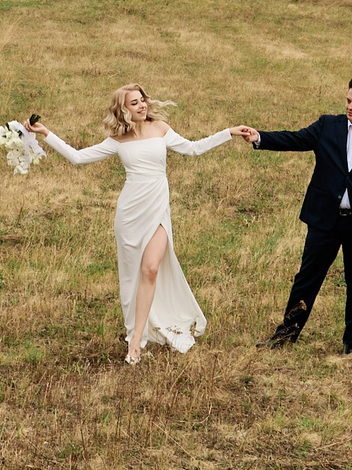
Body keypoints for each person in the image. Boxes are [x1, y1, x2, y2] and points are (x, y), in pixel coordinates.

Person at [29, 85, 240, 365]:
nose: (142, 106)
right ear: (123, 109)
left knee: (150, 269)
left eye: (142, 100)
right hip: (130, 214)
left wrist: (229, 132)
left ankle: (138, 339)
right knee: (131, 278)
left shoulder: (160, 128)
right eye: (134, 103)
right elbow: (78, 157)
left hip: (157, 210)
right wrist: (46, 133)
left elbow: (193, 149)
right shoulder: (118, 140)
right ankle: (135, 341)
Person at [230, 77, 352, 353]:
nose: (350, 106)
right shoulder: (328, 126)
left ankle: (351, 342)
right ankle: (286, 334)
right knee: (307, 278)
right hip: (325, 220)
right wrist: (259, 137)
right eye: (348, 100)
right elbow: (295, 139)